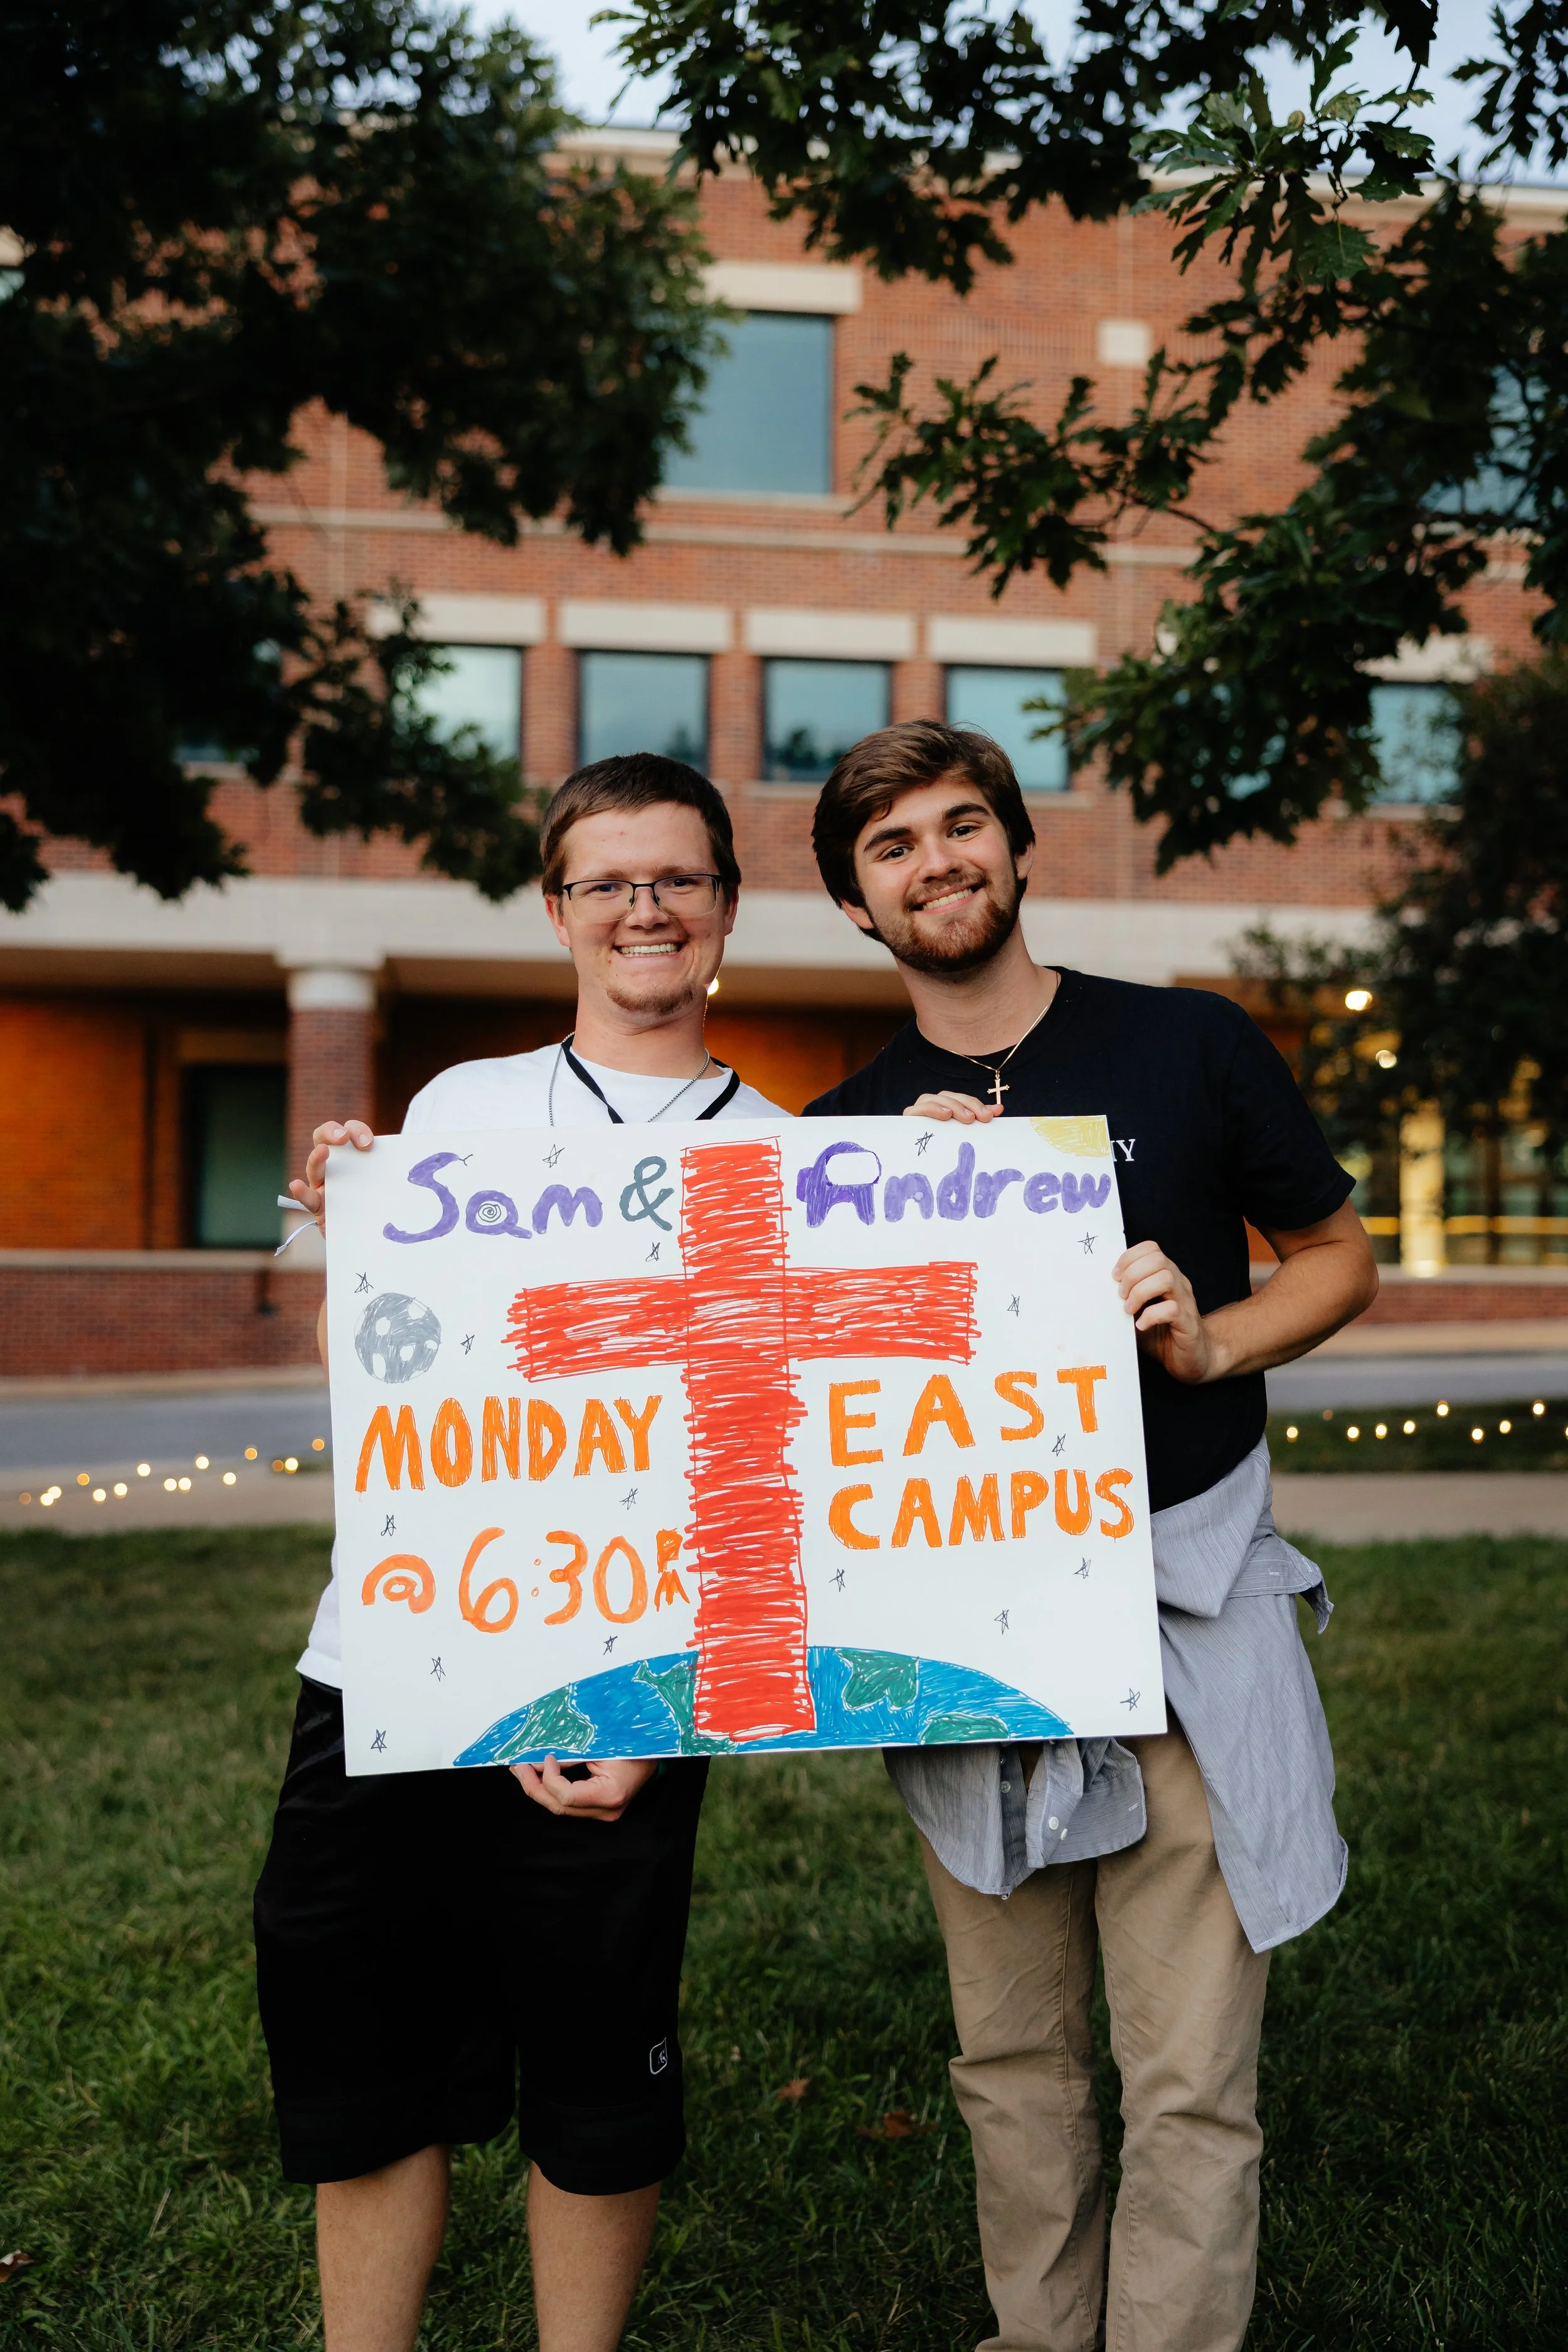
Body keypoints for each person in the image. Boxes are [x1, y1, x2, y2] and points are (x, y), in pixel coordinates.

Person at [803, 721, 1378, 2352]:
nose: (936, 861)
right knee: (1012, 2054)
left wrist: (1208, 1337)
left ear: (1018, 843)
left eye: (959, 823)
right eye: (892, 846)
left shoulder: (1182, 1047)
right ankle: (1039, 2335)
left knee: (1189, 2067)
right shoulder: (835, 1139)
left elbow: (1335, 1256)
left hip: (1174, 1602)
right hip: (963, 1648)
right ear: (856, 905)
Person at [255, 753, 788, 2352]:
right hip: (396, 1661)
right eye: (607, 881)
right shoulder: (460, 1113)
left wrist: (668, 1720)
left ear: (723, 908)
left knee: (592, 2060)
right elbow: (379, 1369)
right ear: (556, 910)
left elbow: (770, 1478)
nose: (645, 908)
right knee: (360, 2044)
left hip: (625, 1680)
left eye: (677, 878)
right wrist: (329, 1226)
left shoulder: (785, 1155)